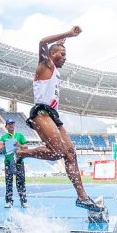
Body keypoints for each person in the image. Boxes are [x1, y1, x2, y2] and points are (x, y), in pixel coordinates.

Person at [17, 27, 104, 212]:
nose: (65, 57)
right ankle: (22, 153)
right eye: (62, 54)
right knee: (57, 152)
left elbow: (54, 48)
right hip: (42, 113)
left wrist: (62, 44)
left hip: (54, 115)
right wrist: (67, 34)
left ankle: (82, 197)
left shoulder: (54, 68)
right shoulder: (45, 65)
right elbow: (42, 42)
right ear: (52, 55)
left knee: (70, 153)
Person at [0, 118, 28, 208]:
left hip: (19, 161)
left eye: (12, 123)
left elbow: (26, 147)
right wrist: (2, 146)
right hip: (8, 162)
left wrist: (19, 145)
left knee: (21, 182)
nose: (11, 125)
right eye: (9, 124)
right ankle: (8, 201)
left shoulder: (19, 135)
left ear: (14, 125)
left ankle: (23, 201)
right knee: (8, 182)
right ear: (6, 126)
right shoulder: (3, 137)